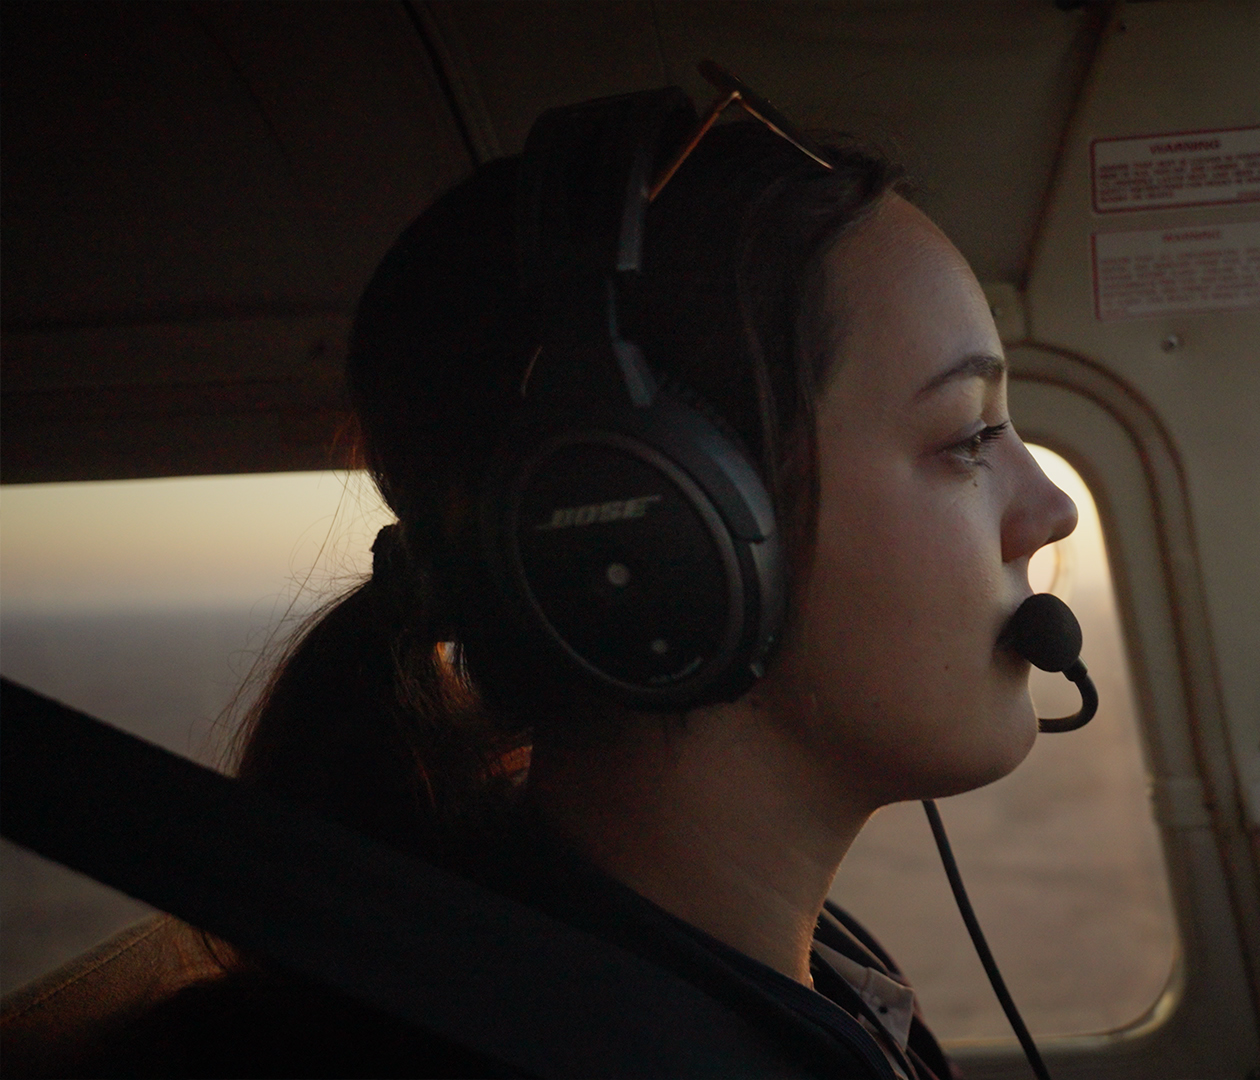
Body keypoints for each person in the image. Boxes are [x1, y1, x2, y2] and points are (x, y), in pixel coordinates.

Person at [87, 99, 1077, 1078]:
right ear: (657, 532)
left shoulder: (805, 979)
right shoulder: (580, 1036)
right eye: (968, 438)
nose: (1051, 509)